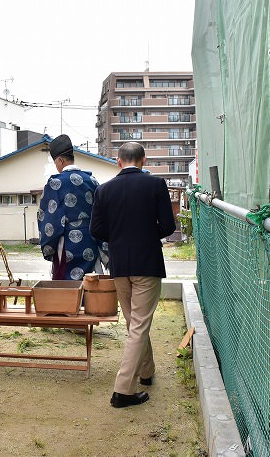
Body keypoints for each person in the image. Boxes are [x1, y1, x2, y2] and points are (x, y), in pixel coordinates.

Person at [89, 142, 176, 408]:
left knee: (134, 323)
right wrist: (147, 235)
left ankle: (146, 372)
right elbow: (169, 226)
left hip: (119, 265)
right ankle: (123, 390)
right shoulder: (156, 185)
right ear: (143, 160)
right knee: (138, 324)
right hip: (147, 262)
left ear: (118, 161)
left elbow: (96, 230)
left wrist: (118, 238)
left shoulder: (103, 190)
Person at [37, 134, 107, 281]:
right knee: (91, 282)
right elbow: (103, 214)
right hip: (91, 240)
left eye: (55, 162)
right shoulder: (92, 181)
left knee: (66, 285)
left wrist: (48, 245)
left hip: (67, 243)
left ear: (60, 160)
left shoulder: (55, 183)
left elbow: (49, 219)